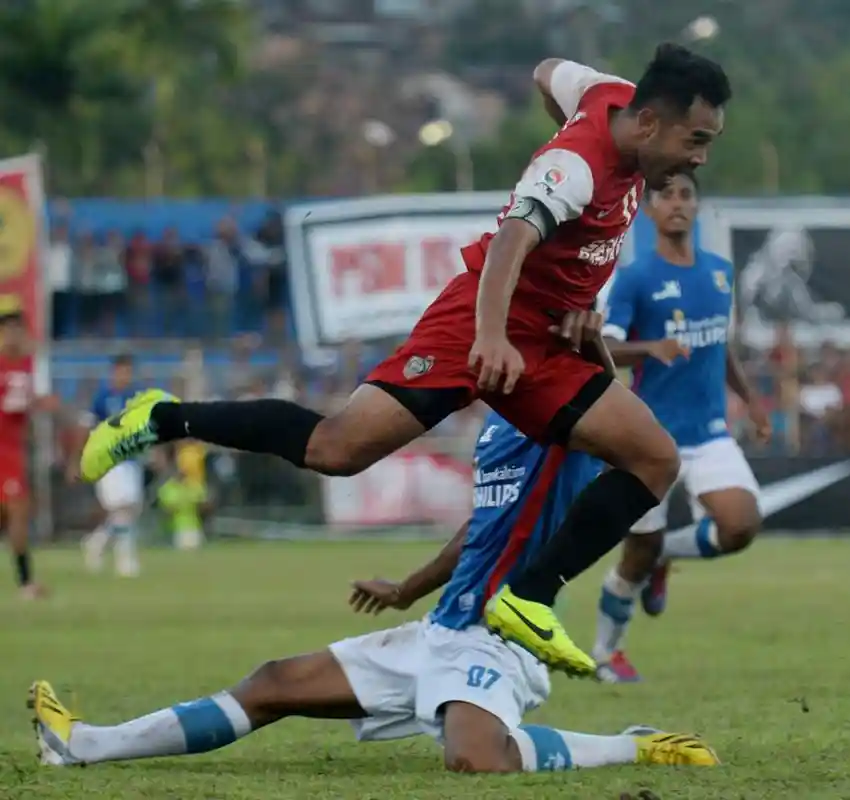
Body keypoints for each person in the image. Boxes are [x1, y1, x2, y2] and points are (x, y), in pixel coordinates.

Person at [78, 44, 733, 677]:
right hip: (481, 323)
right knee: (337, 450)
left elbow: (544, 71)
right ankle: (163, 417)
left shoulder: (600, 94)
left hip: (546, 341)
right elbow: (511, 240)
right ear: (648, 120)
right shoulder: (577, 166)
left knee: (653, 457)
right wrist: (490, 335)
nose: (699, 159)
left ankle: (528, 598)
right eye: (695, 140)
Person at [29, 410, 719, 773]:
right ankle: (84, 743)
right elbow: (482, 532)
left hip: (500, 638)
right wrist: (407, 589)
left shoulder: (568, 417)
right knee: (273, 683)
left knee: (477, 760)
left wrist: (584, 333)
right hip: (442, 630)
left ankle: (632, 747)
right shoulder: (502, 427)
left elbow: (603, 393)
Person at [593, 173, 771, 683]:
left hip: (709, 430)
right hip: (650, 438)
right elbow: (604, 346)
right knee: (635, 551)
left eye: (685, 195)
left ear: (697, 207)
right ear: (648, 210)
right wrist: (649, 348)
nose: (676, 203)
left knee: (740, 525)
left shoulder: (719, 273)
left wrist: (752, 403)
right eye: (665, 195)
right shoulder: (635, 278)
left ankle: (667, 555)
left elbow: (720, 345)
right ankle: (607, 653)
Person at [0, 295, 52, 599]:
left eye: (16, 324)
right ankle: (25, 583)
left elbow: (31, 403)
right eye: (7, 325)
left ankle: (25, 582)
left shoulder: (29, 364)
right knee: (16, 511)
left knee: (19, 513)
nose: (12, 331)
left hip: (13, 450)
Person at [79, 354, 146, 576]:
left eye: (128, 371)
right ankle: (125, 560)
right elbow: (88, 426)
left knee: (128, 510)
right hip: (110, 461)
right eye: (121, 371)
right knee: (122, 507)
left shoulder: (135, 398)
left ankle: (96, 543)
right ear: (113, 372)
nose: (124, 375)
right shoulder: (102, 397)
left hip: (131, 461)